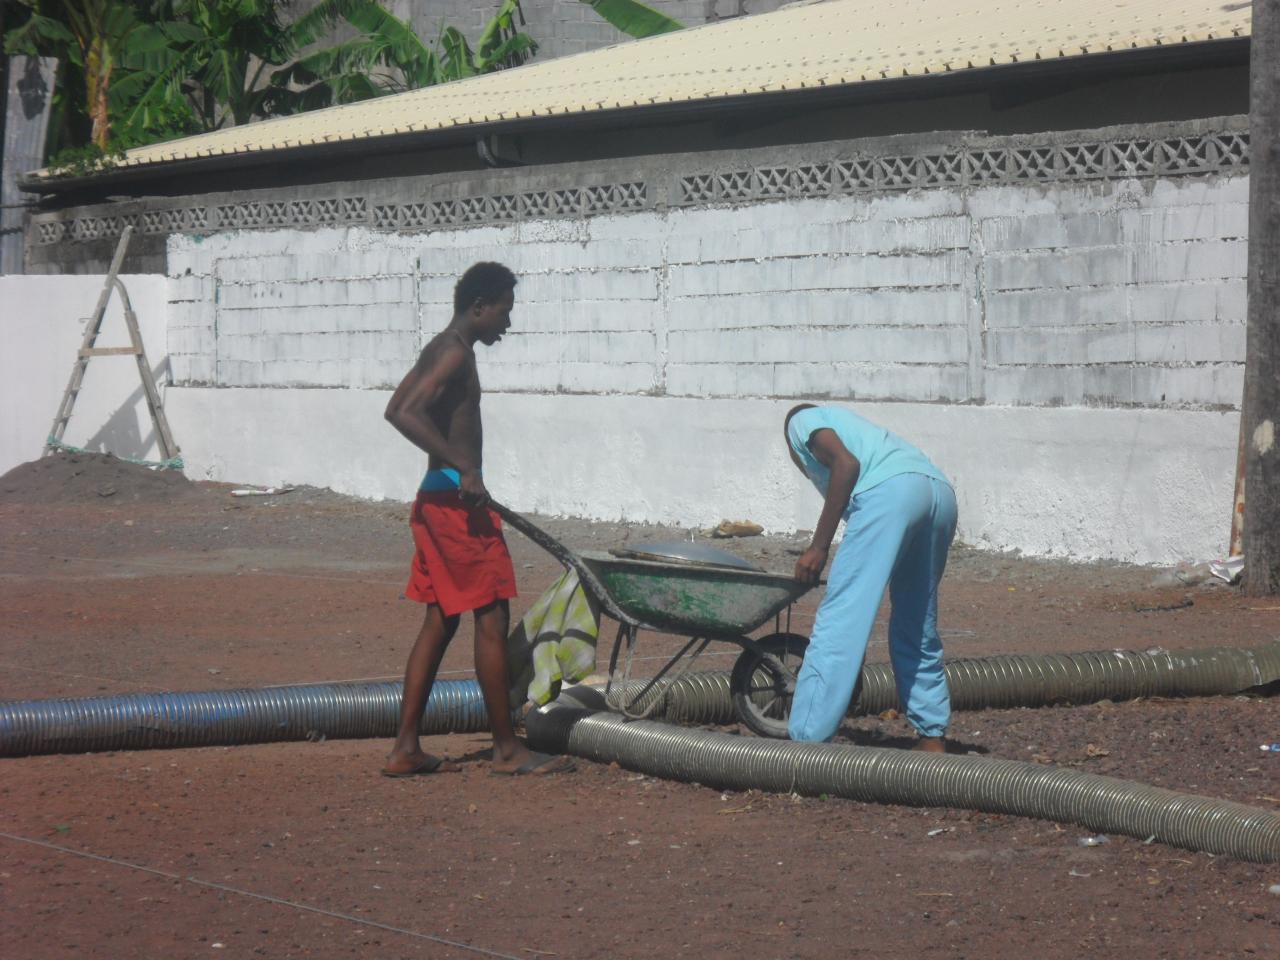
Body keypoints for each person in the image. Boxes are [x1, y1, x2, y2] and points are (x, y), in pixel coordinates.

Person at [381, 261, 574, 777]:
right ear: (480, 307)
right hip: (454, 509)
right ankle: (508, 749)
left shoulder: (446, 348)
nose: (507, 324)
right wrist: (463, 466)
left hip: (439, 501)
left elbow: (400, 405)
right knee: (492, 618)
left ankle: (405, 748)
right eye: (504, 313)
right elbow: (401, 413)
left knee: (441, 621)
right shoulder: (452, 353)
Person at [783, 403, 957, 752]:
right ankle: (932, 737)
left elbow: (846, 465)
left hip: (893, 494)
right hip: (939, 493)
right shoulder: (859, 429)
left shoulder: (800, 421)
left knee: (842, 616)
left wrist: (819, 547)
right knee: (916, 618)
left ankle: (805, 742)